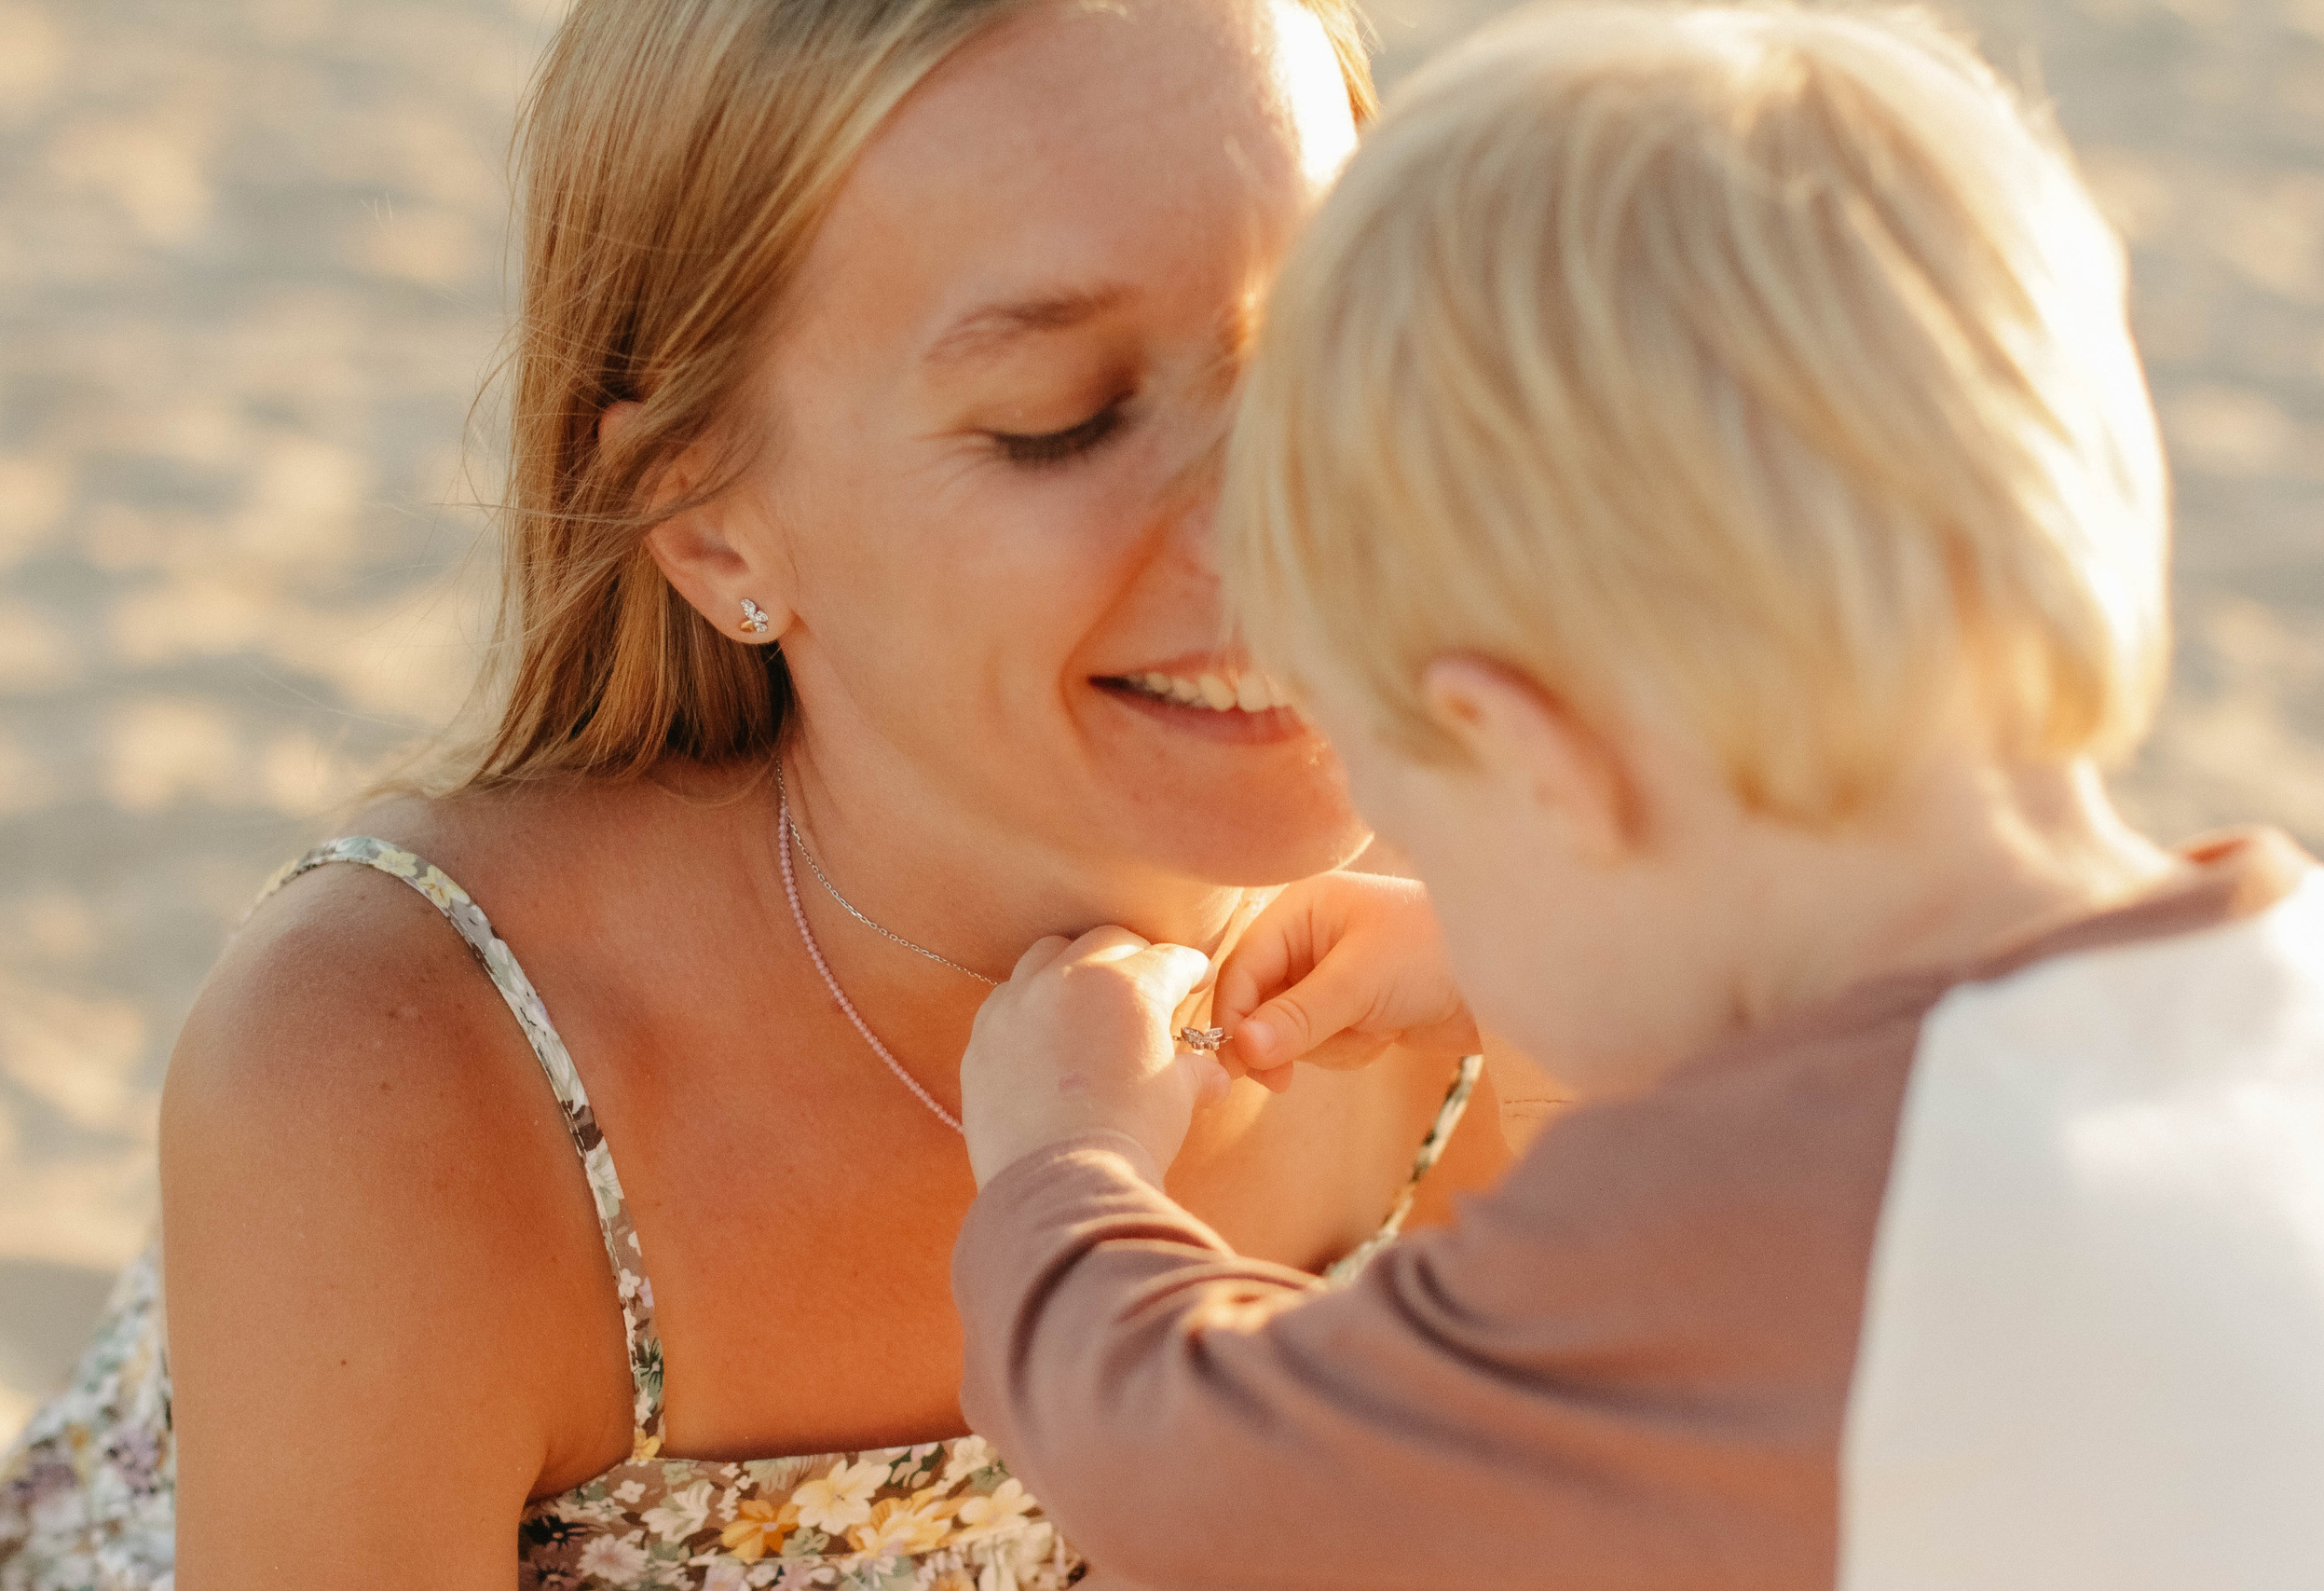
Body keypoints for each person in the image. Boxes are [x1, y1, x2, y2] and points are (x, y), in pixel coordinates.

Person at [0, 1, 1511, 1587]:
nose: (1286, 516)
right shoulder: (411, 1080)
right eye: (1062, 421)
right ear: (714, 523)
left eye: (1338, 341)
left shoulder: (1533, 919)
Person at [946, 6, 2324, 1587]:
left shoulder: (1769, 1231)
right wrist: (1494, 943)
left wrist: (1058, 1171)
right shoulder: (2298, 972)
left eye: (1428, 823)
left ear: (1535, 758)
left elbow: (1198, 1483)